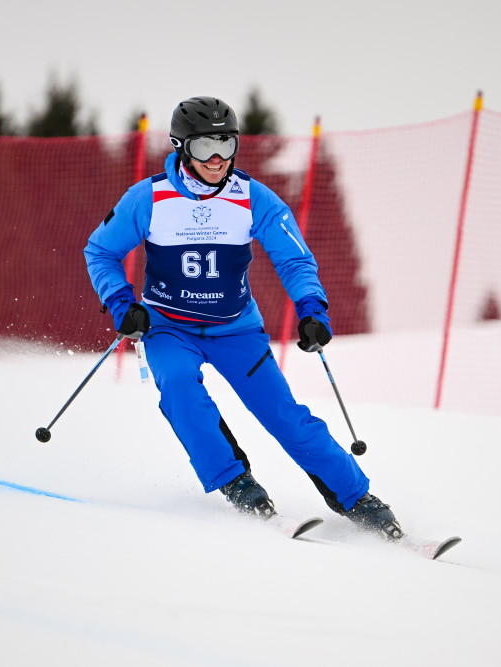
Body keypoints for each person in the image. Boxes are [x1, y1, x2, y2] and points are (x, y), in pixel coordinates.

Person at [84, 96, 402, 540]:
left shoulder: (253, 197)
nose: (217, 159)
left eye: (226, 144)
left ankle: (358, 499)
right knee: (178, 387)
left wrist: (312, 308)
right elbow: (101, 251)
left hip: (236, 329)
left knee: (284, 416)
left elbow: (294, 260)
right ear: (180, 148)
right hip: (168, 327)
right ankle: (238, 484)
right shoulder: (149, 198)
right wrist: (121, 303)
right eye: (203, 148)